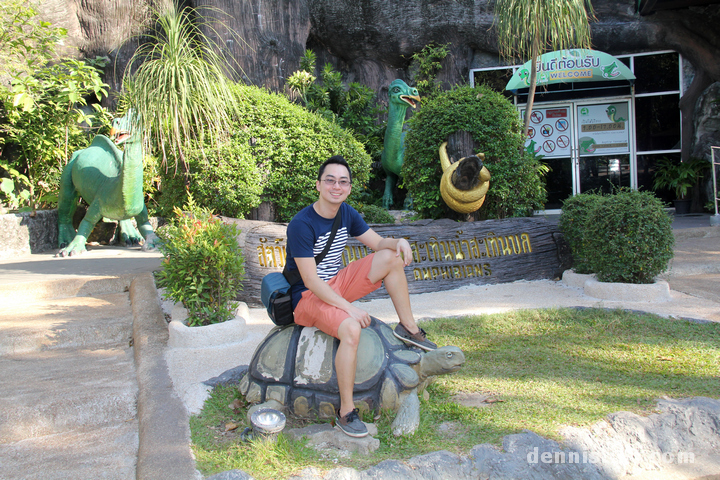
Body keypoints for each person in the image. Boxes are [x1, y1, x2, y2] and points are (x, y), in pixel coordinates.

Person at [284, 155, 437, 438]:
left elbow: (378, 243)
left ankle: (408, 328)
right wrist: (348, 309)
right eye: (330, 180)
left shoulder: (347, 214)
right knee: (352, 329)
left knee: (390, 257)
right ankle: (346, 411)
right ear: (318, 185)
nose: (336, 186)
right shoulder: (301, 224)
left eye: (343, 182)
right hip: (307, 296)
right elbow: (310, 280)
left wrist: (399, 241)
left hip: (335, 284)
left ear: (349, 188)